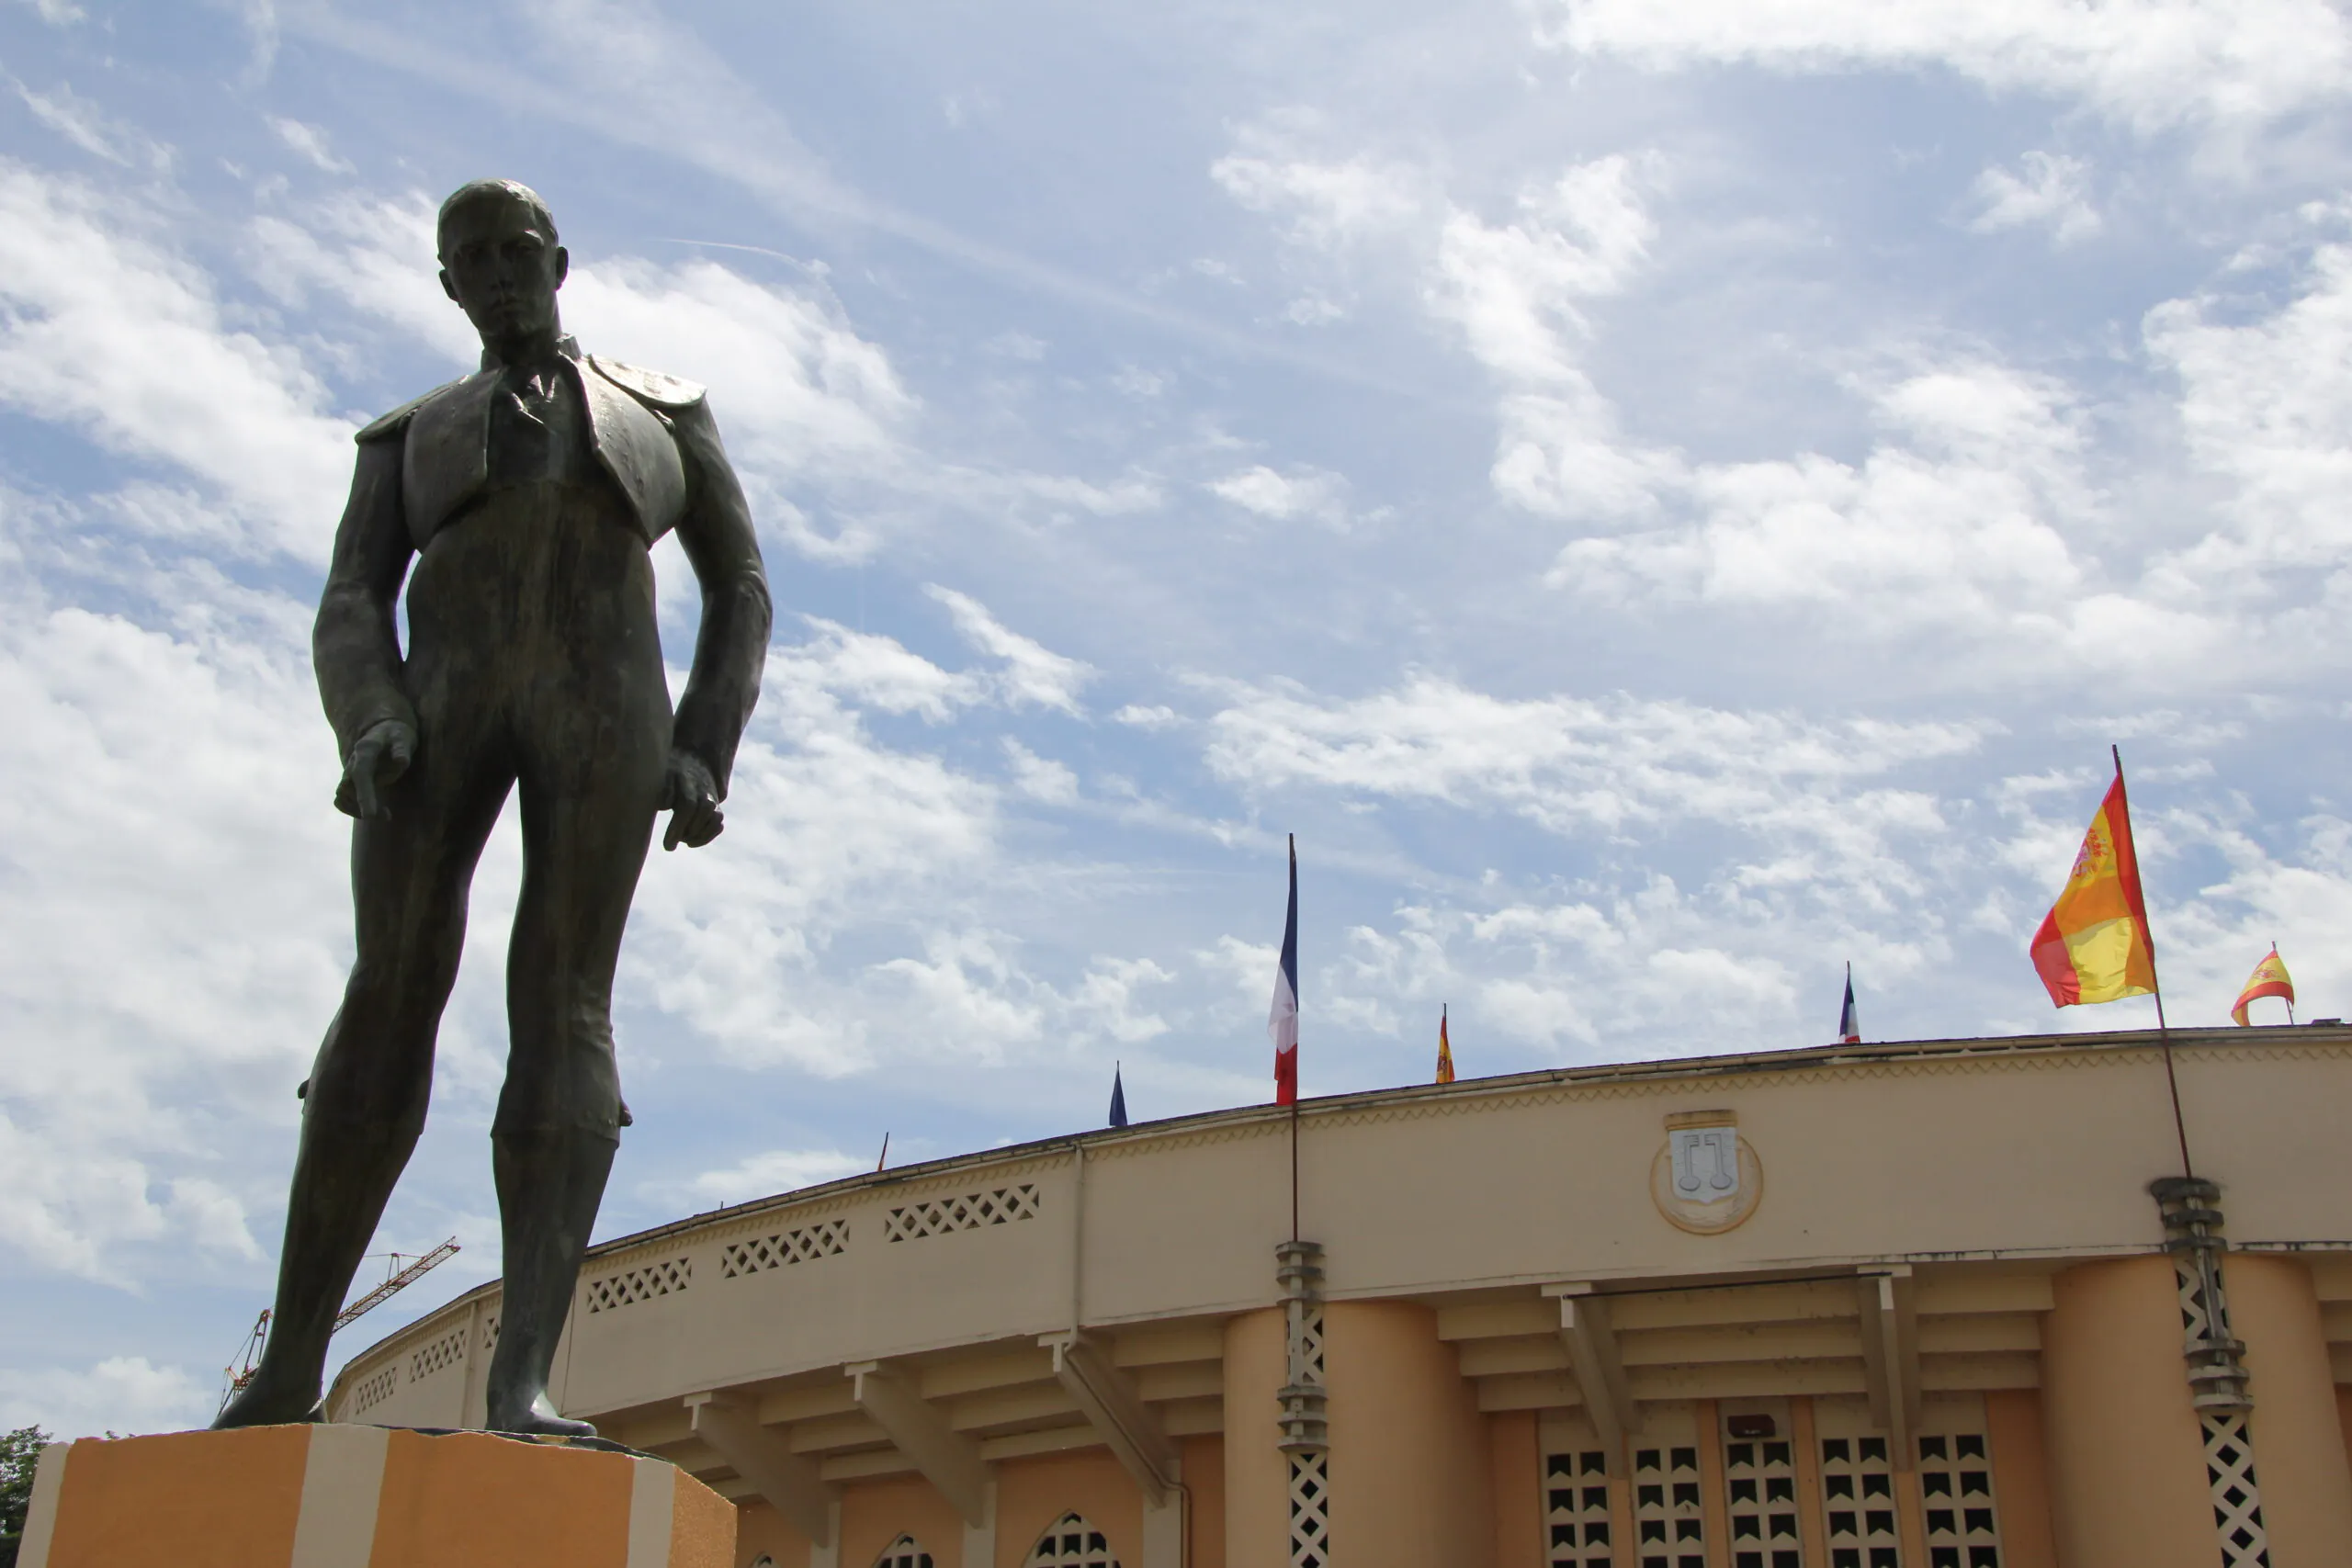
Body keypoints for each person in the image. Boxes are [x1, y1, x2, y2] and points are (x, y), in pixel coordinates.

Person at [215, 179, 771, 1435]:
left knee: (566, 1005)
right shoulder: (407, 436)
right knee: (386, 991)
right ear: (447, 283)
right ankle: (293, 1362)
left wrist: (703, 745)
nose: (501, 271)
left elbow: (739, 584)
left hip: (606, 720)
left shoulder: (665, 415)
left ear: (560, 260)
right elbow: (351, 597)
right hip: (437, 720)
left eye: (519, 249)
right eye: (473, 258)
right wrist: (371, 720)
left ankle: (520, 1374)